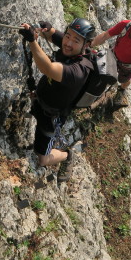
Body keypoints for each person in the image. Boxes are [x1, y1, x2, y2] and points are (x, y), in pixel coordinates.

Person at [18, 18, 96, 182]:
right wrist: (47, 29)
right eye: (68, 36)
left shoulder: (80, 70)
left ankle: (67, 155)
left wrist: (32, 40)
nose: (68, 42)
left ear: (86, 45)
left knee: (42, 160)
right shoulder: (71, 47)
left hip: (51, 117)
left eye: (76, 40)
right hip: (40, 100)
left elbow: (48, 69)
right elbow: (54, 35)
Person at [90, 7, 131, 107]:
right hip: (114, 56)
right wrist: (92, 44)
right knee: (102, 72)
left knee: (124, 80)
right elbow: (105, 35)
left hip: (128, 65)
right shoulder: (124, 26)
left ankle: (121, 91)